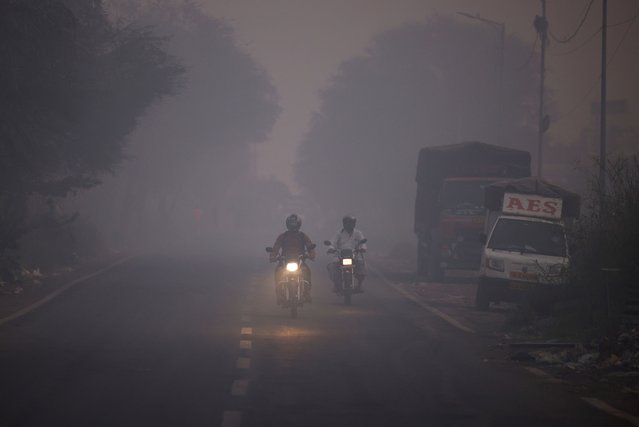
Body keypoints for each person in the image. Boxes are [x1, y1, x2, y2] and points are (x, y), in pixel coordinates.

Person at [269, 214, 316, 304]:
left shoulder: (303, 236)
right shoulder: (283, 236)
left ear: (298, 224)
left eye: (295, 223)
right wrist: (273, 256)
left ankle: (306, 293)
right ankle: (279, 295)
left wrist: (311, 254)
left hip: (300, 261)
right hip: (284, 260)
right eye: (291, 223)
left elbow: (310, 246)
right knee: (278, 272)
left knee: (307, 271)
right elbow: (276, 247)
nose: (293, 225)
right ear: (288, 224)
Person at [328, 215, 367, 293]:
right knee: (333, 266)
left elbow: (362, 242)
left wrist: (363, 248)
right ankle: (336, 285)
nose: (349, 225)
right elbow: (333, 242)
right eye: (348, 223)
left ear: (354, 224)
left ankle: (359, 285)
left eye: (351, 223)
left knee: (362, 266)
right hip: (340, 255)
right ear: (344, 224)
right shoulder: (339, 233)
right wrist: (331, 248)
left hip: (354, 254)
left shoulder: (358, 233)